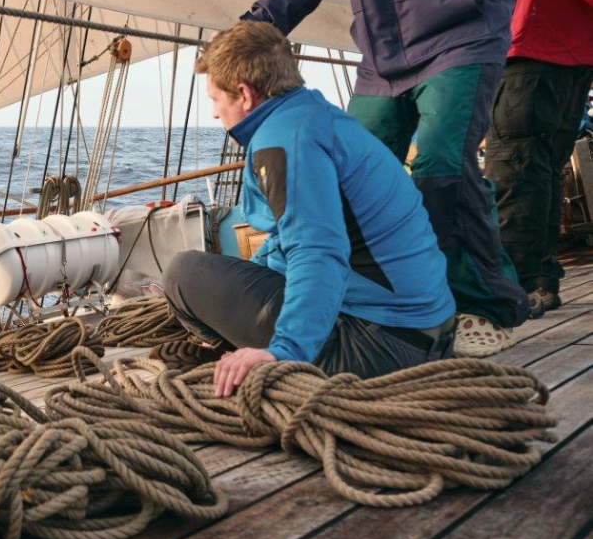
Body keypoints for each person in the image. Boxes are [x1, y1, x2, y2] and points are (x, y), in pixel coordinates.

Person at [240, 0, 528, 349]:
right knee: (340, 176)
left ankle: (487, 307)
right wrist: (254, 28)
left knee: (441, 169)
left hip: (463, 27)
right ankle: (333, 297)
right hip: (382, 52)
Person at [161, 21, 456, 397]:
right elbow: (291, 239)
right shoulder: (311, 116)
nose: (216, 114)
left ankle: (237, 355)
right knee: (242, 270)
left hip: (379, 350)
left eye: (216, 100)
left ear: (244, 94)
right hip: (427, 333)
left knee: (184, 274)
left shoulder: (282, 142)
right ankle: (232, 349)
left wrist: (286, 351)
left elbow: (317, 251)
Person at [485, 0, 593, 318]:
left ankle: (519, 283)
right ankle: (537, 278)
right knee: (543, 162)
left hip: (537, 28)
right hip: (569, 34)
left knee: (517, 161)